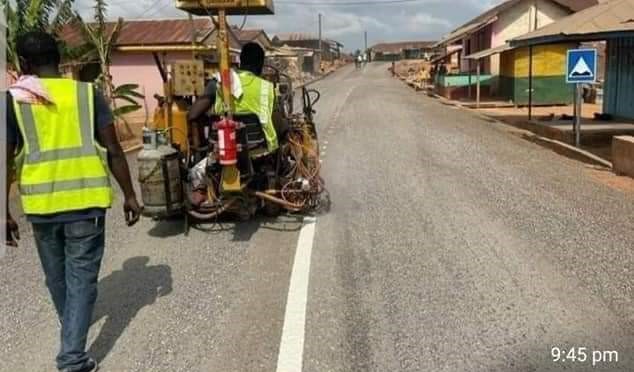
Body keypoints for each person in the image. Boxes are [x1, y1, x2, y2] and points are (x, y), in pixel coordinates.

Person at [5, 31, 141, 372]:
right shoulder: (87, 94)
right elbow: (113, 150)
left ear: (24, 64)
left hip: (41, 208)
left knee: (58, 279)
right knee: (80, 280)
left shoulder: (13, 100)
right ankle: (72, 356)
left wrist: (3, 211)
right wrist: (130, 195)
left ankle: (72, 341)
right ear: (59, 57)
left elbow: (4, 159)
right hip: (85, 203)